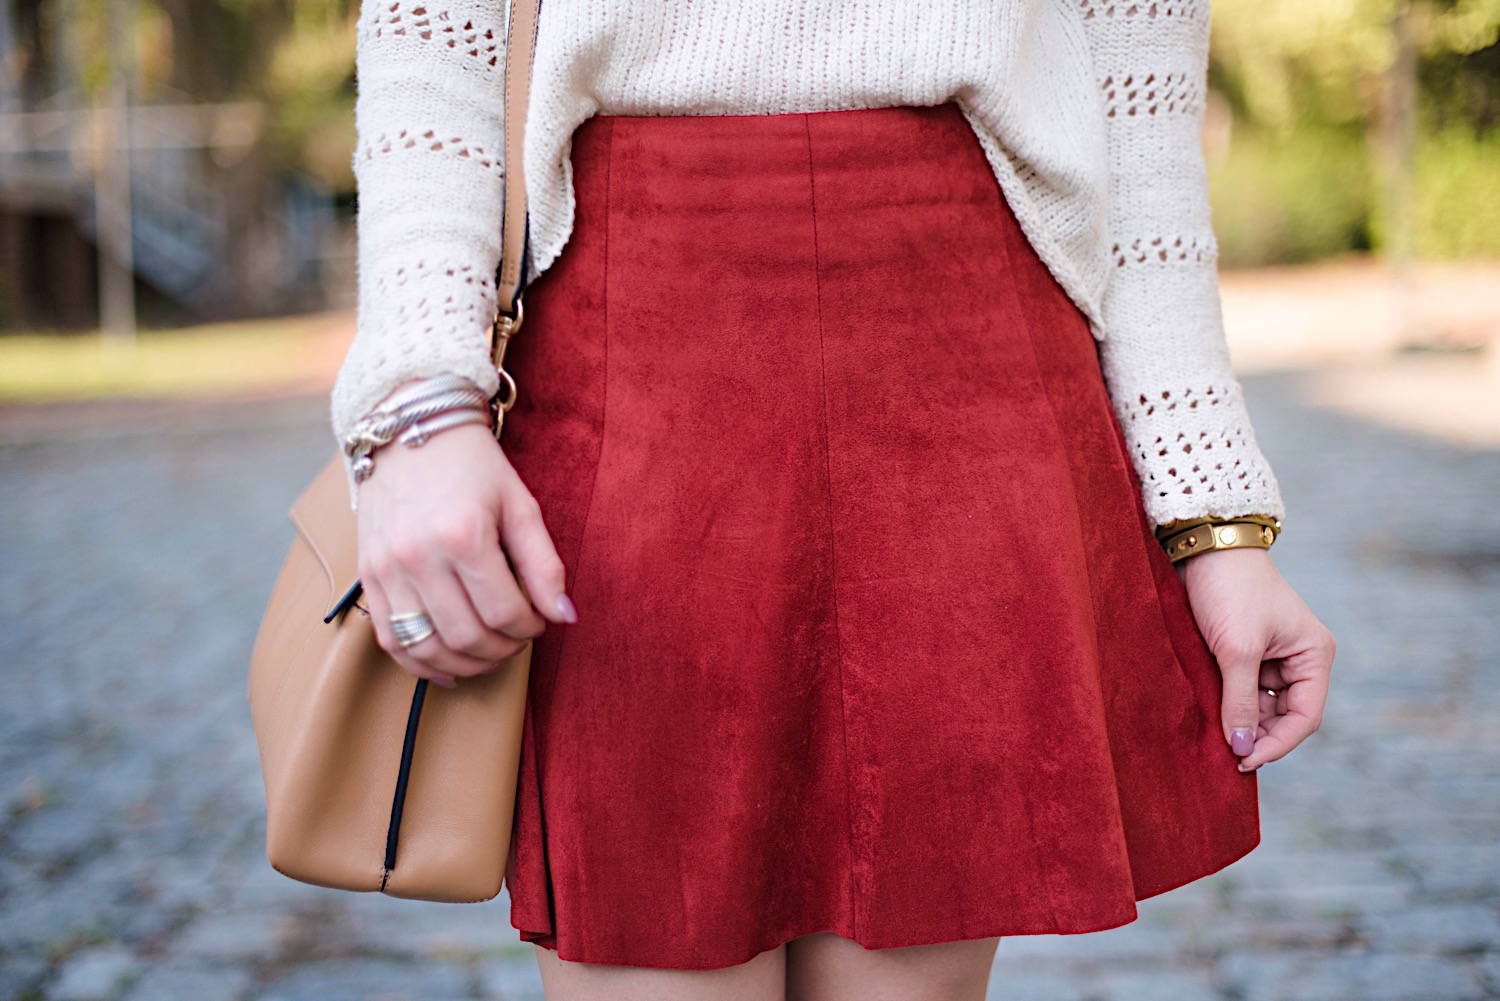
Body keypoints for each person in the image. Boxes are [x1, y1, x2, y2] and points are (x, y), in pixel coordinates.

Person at [330, 2, 1338, 998]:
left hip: (966, 332)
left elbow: (1139, 100)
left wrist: (1216, 517)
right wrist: (419, 406)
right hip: (632, 337)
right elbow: (434, 35)